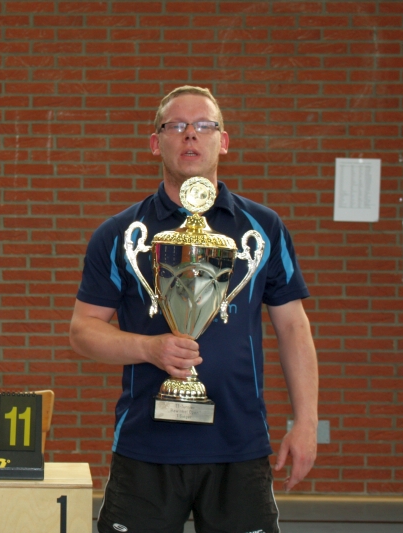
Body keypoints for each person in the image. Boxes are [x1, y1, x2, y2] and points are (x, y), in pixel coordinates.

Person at [69, 85, 318, 533]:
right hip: (147, 447)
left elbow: (294, 328)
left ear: (223, 141)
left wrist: (307, 421)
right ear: (155, 142)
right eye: (176, 126)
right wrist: (149, 349)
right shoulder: (121, 234)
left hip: (239, 446)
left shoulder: (263, 228)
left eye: (204, 125)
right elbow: (83, 331)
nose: (190, 135)